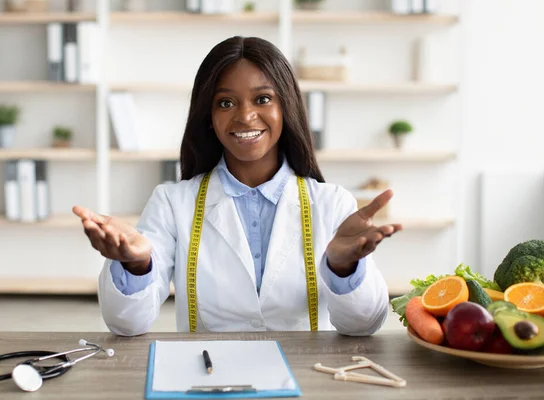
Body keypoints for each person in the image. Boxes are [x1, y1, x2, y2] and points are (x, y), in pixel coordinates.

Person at [73, 36, 402, 336]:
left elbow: (365, 325)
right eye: (226, 103)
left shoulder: (331, 203)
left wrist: (344, 269)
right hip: (208, 376)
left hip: (306, 379)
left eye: (262, 99)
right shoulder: (173, 203)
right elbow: (127, 323)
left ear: (286, 106)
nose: (245, 116)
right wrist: (136, 265)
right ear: (208, 116)